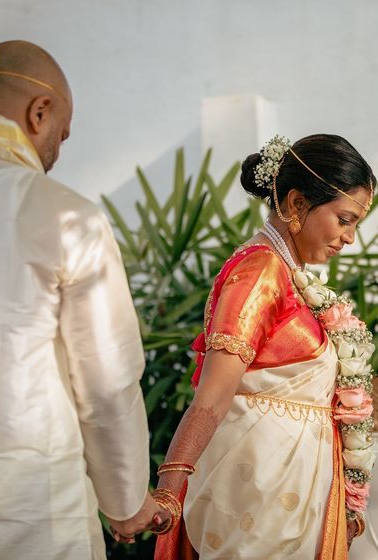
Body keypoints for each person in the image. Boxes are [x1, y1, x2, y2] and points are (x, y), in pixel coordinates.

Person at [0, 40, 165, 560]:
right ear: (39, 112)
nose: (54, 152)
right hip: (29, 506)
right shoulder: (66, 217)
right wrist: (124, 500)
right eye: (62, 136)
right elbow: (105, 380)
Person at [152, 134, 376, 559]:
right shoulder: (259, 272)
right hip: (258, 496)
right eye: (344, 219)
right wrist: (170, 486)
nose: (349, 238)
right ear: (295, 204)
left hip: (287, 493)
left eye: (355, 225)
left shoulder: (289, 276)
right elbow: (213, 396)